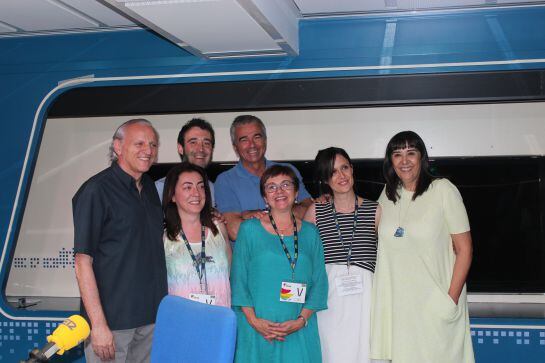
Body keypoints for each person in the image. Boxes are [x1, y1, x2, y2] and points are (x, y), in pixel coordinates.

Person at [370, 131, 474, 363]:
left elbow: (464, 250)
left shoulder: (443, 190)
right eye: (397, 154)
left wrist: (450, 301)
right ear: (390, 161)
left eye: (411, 153)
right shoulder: (387, 195)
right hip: (399, 311)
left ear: (422, 157)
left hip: (434, 308)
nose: (404, 161)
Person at [73, 119, 168, 362]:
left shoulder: (148, 187)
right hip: (112, 325)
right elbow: (82, 262)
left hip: (151, 320)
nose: (148, 151)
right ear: (118, 147)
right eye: (139, 143)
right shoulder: (95, 190)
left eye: (153, 144)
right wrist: (98, 325)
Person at [231, 165, 328, 362]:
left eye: (285, 185)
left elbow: (319, 283)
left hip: (298, 329)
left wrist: (301, 321)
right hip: (258, 329)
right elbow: (238, 280)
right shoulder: (249, 230)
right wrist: (254, 321)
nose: (279, 191)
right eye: (271, 187)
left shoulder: (311, 233)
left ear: (296, 191)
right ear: (265, 197)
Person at [304, 147, 380, 363]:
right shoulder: (315, 212)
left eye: (344, 167)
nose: (341, 176)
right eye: (333, 172)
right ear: (325, 179)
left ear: (352, 169)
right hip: (331, 302)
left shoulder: (375, 210)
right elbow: (304, 260)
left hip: (367, 302)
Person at [215, 115, 312, 241]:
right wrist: (285, 212)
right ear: (235, 147)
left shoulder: (288, 171)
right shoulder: (225, 181)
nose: (252, 145)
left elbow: (309, 211)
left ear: (265, 140)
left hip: (293, 251)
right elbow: (234, 231)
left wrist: (258, 215)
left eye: (257, 137)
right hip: (252, 259)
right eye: (244, 140)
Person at [162, 162, 231, 307]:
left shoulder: (218, 228)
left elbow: (231, 273)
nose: (196, 193)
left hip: (219, 318)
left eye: (201, 186)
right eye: (187, 187)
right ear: (172, 195)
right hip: (181, 321)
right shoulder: (164, 237)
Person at [155, 118, 216, 204]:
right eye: (193, 142)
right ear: (180, 148)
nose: (201, 149)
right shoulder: (161, 188)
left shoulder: (212, 188)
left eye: (206, 143)